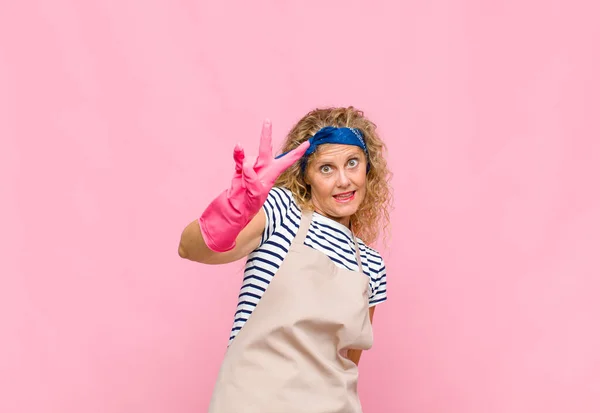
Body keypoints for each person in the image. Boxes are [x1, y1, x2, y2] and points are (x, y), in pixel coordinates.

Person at [178, 106, 392, 413]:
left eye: (352, 163)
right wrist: (232, 211)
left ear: (368, 167)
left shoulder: (372, 265)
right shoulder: (283, 211)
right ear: (306, 174)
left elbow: (346, 362)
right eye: (326, 168)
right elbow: (191, 248)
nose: (344, 181)